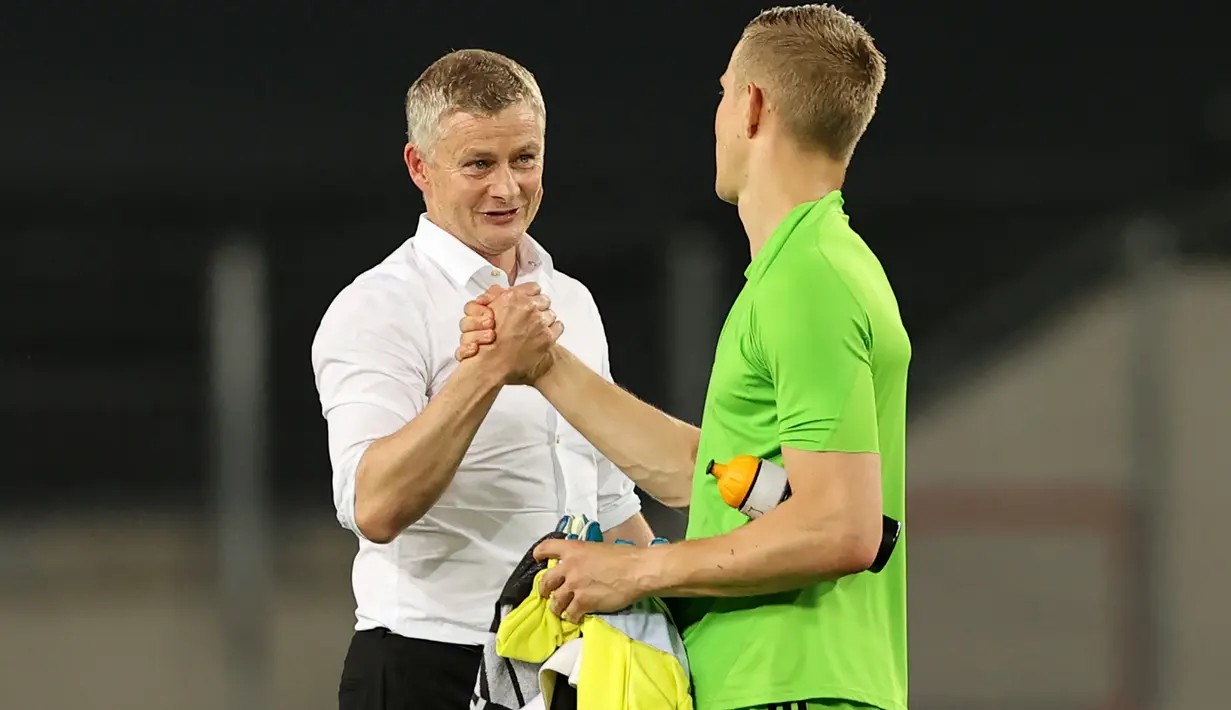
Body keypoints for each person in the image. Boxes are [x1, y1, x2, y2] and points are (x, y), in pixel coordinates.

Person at [454, 5, 907, 710]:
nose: (718, 115)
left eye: (723, 92)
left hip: (787, 687)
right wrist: (543, 365)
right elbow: (717, 477)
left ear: (751, 107)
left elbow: (838, 528)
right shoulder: (818, 265)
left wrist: (637, 573)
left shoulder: (807, 282)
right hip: (784, 683)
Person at [310, 48, 671, 710]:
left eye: (523, 159)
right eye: (478, 164)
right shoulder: (377, 307)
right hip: (427, 666)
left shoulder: (572, 302)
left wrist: (674, 627)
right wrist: (489, 372)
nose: (507, 188)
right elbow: (374, 507)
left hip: (570, 663)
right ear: (419, 167)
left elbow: (610, 502)